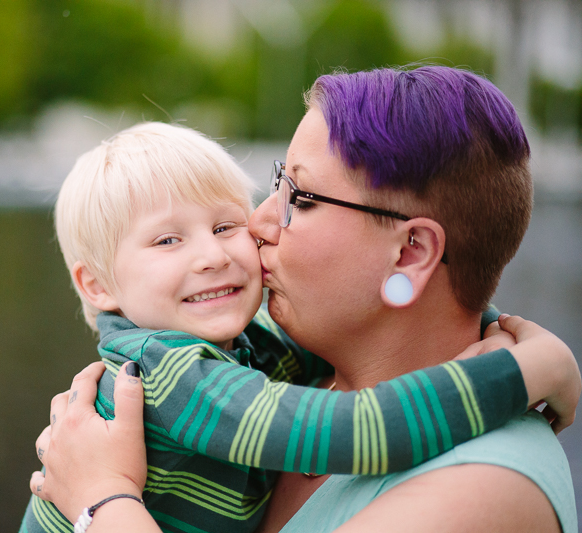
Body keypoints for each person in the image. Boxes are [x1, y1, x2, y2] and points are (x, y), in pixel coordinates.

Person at [30, 66, 580, 533]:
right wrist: (527, 360)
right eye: (276, 183)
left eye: (301, 197)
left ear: (411, 253)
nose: (258, 222)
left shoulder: (484, 490)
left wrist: (100, 501)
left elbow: (377, 420)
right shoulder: (275, 374)